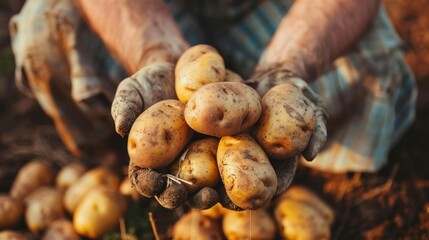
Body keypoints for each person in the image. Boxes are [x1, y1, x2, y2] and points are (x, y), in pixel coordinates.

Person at [10, 0, 417, 208]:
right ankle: (104, 148)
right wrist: (156, 53)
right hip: (158, 10)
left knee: (376, 67)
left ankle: (320, 166)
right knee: (43, 28)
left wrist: (290, 66)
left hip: (275, 11)